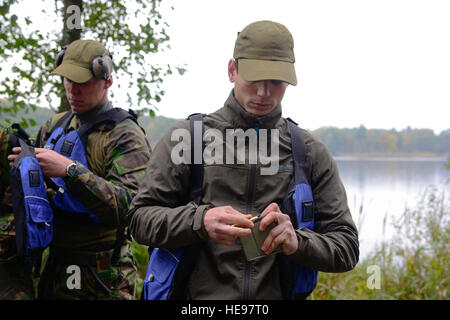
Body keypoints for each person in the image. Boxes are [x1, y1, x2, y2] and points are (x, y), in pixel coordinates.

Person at [128, 20, 359, 299]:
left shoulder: (309, 152)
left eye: (276, 81)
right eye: (254, 78)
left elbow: (346, 248)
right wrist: (200, 221)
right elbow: (138, 221)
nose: (264, 92)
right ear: (231, 70)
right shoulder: (186, 139)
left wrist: (297, 241)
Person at [7, 39, 151, 299]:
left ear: (107, 81)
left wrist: (70, 171)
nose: (72, 90)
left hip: (104, 275)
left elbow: (133, 208)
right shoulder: (54, 126)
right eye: (67, 80)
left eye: (82, 82)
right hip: (56, 266)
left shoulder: (125, 135)